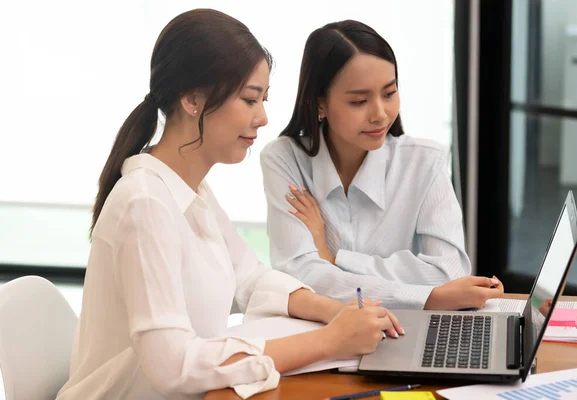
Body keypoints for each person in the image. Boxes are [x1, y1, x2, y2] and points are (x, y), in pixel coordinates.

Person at [57, 10, 402, 400]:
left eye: (264, 99)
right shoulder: (145, 204)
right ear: (192, 100)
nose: (263, 117)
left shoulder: (191, 191)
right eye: (250, 99)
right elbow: (175, 366)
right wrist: (329, 341)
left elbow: (251, 279)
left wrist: (334, 312)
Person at [260, 20, 504, 311]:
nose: (380, 114)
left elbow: (448, 273)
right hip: (323, 332)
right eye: (359, 101)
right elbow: (298, 276)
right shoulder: (284, 160)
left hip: (403, 329)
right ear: (319, 105)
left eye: (389, 94)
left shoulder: (425, 161)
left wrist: (333, 259)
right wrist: (427, 297)